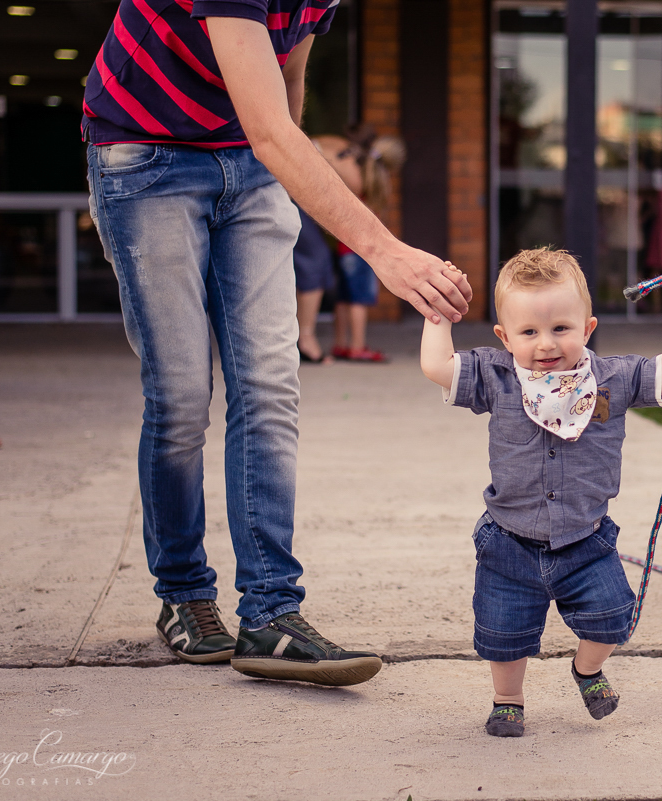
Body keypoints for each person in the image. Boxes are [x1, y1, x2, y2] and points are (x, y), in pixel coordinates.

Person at [82, 0, 472, 686]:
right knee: (181, 396)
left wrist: (288, 181)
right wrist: (383, 250)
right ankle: (184, 594)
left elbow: (287, 81)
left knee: (269, 384)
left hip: (252, 162)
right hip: (146, 157)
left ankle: (271, 613)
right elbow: (271, 128)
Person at [419, 249, 662, 737]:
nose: (546, 344)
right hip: (509, 541)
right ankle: (508, 700)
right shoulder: (497, 377)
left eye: (561, 328)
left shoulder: (612, 379)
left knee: (614, 616)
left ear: (588, 327)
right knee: (504, 634)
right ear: (504, 337)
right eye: (529, 332)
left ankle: (587, 669)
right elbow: (436, 365)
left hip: (586, 539)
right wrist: (439, 312)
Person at [314, 129, 404, 363]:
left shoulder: (356, 173)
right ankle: (357, 346)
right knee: (359, 299)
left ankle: (341, 344)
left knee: (343, 299)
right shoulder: (376, 182)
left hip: (343, 248)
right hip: (361, 251)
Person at [293, 208, 334, 364]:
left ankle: (301, 337)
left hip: (296, 202)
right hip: (289, 199)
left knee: (313, 261)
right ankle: (305, 338)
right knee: (315, 259)